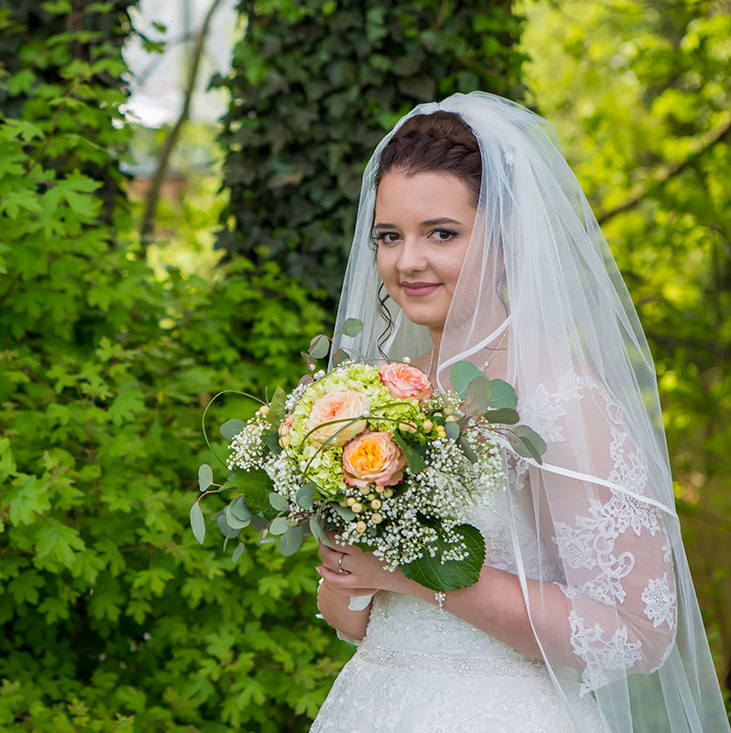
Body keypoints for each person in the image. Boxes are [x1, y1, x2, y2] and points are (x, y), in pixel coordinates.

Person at [308, 92, 729, 732]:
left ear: (505, 236)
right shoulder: (379, 395)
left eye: (441, 234)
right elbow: (353, 621)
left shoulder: (559, 396)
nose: (406, 261)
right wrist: (348, 568)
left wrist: (414, 573)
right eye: (389, 236)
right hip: (374, 703)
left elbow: (636, 633)